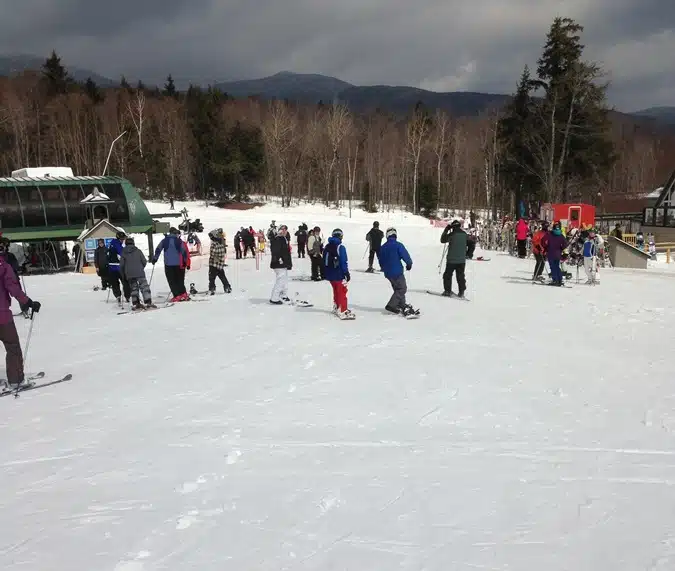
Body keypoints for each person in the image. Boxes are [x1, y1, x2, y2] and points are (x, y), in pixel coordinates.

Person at [0, 255, 40, 389]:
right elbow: (13, 288)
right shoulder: (3, 265)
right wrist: (28, 302)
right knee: (12, 347)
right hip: (2, 315)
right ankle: (16, 380)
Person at [377, 227, 417, 316]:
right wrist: (409, 263)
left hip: (388, 273)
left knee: (397, 289)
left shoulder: (383, 247)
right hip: (397, 272)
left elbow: (380, 260)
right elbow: (405, 255)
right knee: (402, 288)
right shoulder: (398, 245)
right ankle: (391, 305)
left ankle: (402, 305)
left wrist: (384, 268)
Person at [153, 227, 190, 302]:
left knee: (171, 280)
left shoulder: (164, 241)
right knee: (180, 279)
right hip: (179, 264)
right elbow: (184, 252)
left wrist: (155, 258)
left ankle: (176, 296)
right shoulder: (179, 241)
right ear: (175, 233)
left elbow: (158, 249)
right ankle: (183, 294)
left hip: (169, 264)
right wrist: (186, 262)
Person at [323, 228, 353, 319]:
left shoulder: (327, 246)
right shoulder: (340, 247)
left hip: (330, 274)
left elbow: (324, 260)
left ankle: (336, 307)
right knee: (342, 291)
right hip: (339, 274)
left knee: (336, 291)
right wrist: (346, 273)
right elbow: (343, 261)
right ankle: (343, 310)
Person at [120, 237, 155, 310]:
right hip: (139, 272)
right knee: (144, 287)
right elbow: (144, 261)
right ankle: (148, 302)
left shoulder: (123, 253)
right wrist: (140, 267)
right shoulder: (138, 251)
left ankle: (136, 303)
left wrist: (124, 274)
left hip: (129, 274)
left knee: (134, 288)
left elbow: (122, 265)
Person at [440, 219, 468, 297]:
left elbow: (442, 240)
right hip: (462, 260)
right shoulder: (465, 234)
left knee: (447, 275)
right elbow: (471, 243)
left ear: (453, 227)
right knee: (460, 276)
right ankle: (461, 292)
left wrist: (446, 230)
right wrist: (468, 253)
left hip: (451, 260)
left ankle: (447, 291)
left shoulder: (452, 234)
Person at [269, 225, 292, 304]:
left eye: (285, 230)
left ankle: (283, 295)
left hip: (283, 263)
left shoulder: (284, 238)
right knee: (281, 280)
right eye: (282, 230)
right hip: (279, 263)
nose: (284, 231)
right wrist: (279, 259)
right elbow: (275, 251)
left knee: (284, 280)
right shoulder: (278, 239)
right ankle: (274, 298)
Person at [107, 230, 131, 304]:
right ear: (119, 238)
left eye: (123, 239)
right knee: (125, 282)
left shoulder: (112, 243)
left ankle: (118, 296)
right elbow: (122, 253)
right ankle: (127, 296)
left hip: (111, 267)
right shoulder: (117, 244)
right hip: (118, 267)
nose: (123, 240)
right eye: (122, 239)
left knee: (115, 283)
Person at [207, 228, 232, 294]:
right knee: (222, 276)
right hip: (220, 263)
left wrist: (213, 259)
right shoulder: (221, 241)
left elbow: (213, 254)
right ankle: (227, 287)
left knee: (211, 277)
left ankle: (212, 288)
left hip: (213, 264)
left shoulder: (214, 244)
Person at [543, 221, 567, 285]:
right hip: (558, 253)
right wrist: (561, 249)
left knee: (553, 267)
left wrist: (546, 247)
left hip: (550, 252)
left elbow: (543, 241)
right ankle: (559, 279)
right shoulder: (561, 235)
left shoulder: (550, 234)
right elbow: (565, 244)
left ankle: (555, 280)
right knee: (557, 266)